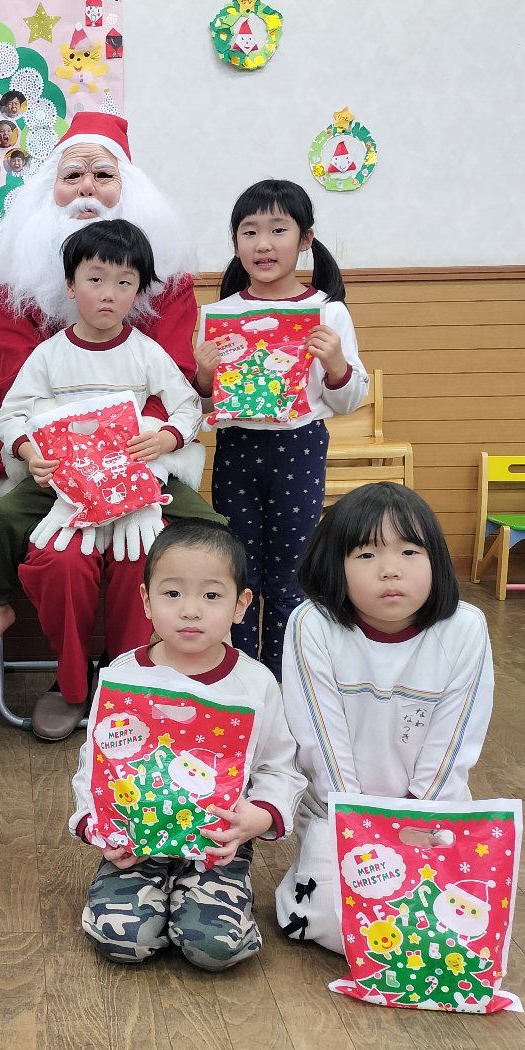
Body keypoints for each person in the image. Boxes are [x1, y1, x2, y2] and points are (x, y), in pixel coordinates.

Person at [0, 112, 218, 719]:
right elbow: (11, 391)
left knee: (175, 544)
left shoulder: (164, 292)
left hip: (143, 466)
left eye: (104, 175)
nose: (87, 188)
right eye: (72, 175)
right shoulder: (16, 290)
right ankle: (70, 680)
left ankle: (139, 675)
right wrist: (62, 453)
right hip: (55, 469)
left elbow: (179, 389)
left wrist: (142, 446)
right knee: (45, 548)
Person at [73, 520, 305, 969]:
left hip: (216, 846)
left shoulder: (254, 682)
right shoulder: (124, 675)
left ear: (241, 605)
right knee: (123, 941)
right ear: (146, 601)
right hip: (136, 843)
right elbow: (96, 763)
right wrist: (94, 824)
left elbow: (279, 767)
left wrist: (258, 817)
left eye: (211, 595)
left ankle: (200, 909)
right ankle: (151, 905)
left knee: (214, 948)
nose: (191, 611)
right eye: (173, 593)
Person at [274, 484, 494, 953]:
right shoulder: (313, 624)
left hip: (432, 813)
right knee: (339, 926)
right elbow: (320, 740)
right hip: (339, 812)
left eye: (410, 551)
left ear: (436, 560)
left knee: (452, 929)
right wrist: (362, 823)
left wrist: (417, 818)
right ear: (335, 565)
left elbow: (456, 741)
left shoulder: (464, 628)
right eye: (367, 554)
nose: (390, 569)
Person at [196, 180, 367, 678]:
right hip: (237, 447)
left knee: (290, 576)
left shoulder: (328, 311)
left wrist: (335, 363)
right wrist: (204, 377)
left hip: (300, 446)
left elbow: (348, 400)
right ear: (235, 244)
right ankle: (242, 678)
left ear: (306, 238)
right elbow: (204, 407)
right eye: (249, 232)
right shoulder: (220, 315)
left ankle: (284, 679)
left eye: (278, 230)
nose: (263, 244)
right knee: (238, 571)